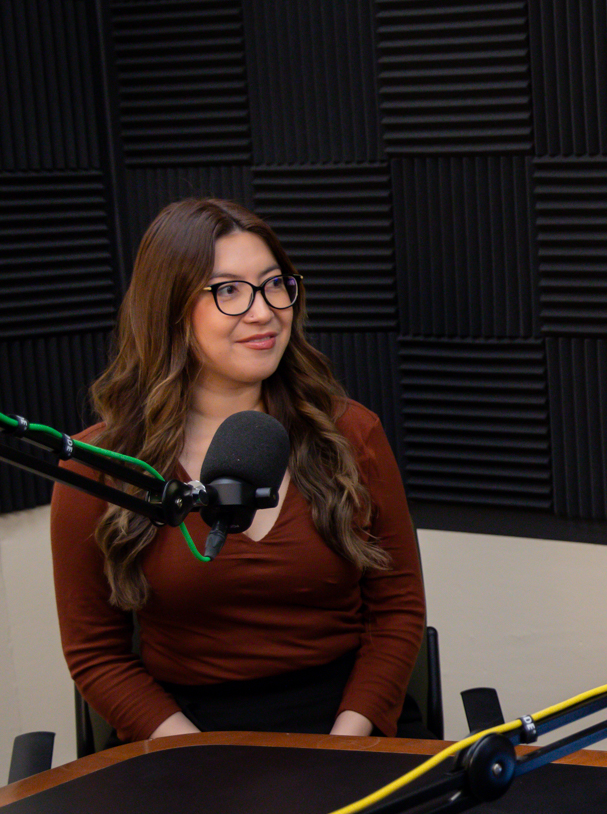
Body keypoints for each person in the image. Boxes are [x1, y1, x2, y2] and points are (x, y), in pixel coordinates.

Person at [51, 198, 426, 741]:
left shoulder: (352, 434)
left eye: (275, 284)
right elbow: (96, 653)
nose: (263, 311)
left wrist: (347, 741)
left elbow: (397, 610)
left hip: (346, 724)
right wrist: (194, 754)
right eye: (228, 290)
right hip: (185, 738)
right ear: (172, 311)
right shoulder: (100, 467)